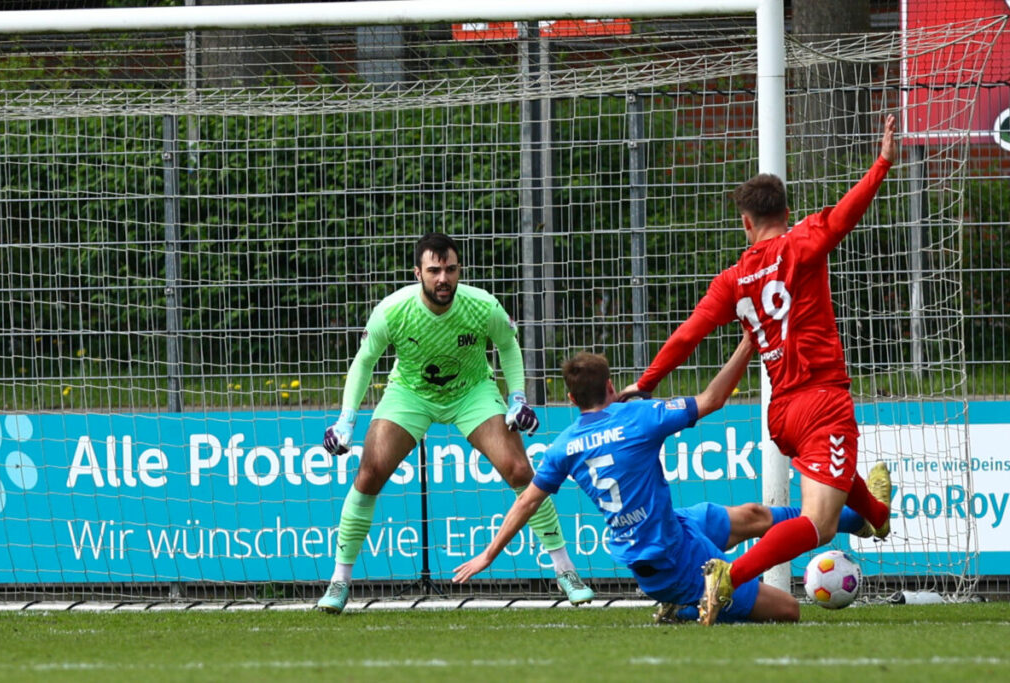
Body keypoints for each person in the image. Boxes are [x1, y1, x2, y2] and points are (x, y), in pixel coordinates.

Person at [622, 114, 898, 625]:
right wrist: (882, 162)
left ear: (746, 223)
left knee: (836, 478)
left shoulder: (732, 280)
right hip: (821, 399)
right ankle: (730, 575)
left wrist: (646, 382)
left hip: (783, 412)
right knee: (820, 524)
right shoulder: (802, 241)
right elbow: (846, 214)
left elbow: (687, 335)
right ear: (786, 213)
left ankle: (877, 515)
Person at [454, 346, 874, 624]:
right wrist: (749, 343)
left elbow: (526, 502)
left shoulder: (563, 446)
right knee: (789, 610)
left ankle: (859, 519)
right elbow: (712, 399)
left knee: (754, 515)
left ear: (571, 401)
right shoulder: (640, 417)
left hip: (671, 530)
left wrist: (489, 554)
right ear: (611, 387)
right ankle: (687, 606)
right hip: (672, 561)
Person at [317, 232, 594, 612]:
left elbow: (508, 346)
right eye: (434, 270)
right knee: (370, 472)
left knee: (519, 470)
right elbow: (364, 362)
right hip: (410, 393)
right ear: (418, 273)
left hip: (472, 392)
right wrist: (345, 421)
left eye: (450, 269)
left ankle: (566, 572)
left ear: (459, 269)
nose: (443, 278)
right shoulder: (392, 310)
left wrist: (517, 399)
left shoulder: (482, 306)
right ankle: (339, 581)